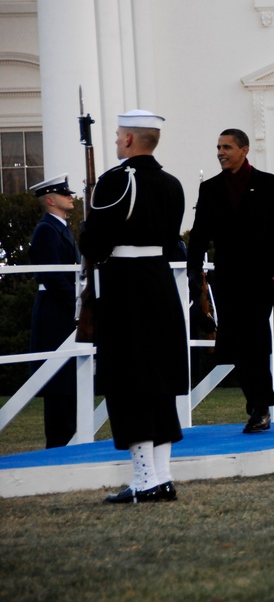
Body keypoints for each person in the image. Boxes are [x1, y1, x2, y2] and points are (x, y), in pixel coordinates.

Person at [78, 109, 187, 503]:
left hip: (126, 287)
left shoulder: (116, 181)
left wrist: (85, 235)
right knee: (159, 381)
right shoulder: (173, 184)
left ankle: (145, 481)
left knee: (129, 381)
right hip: (159, 282)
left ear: (127, 140)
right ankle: (162, 476)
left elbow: (95, 243)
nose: (116, 141)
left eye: (118, 135)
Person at [187, 128, 274, 434]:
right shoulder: (210, 189)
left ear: (244, 150)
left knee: (255, 341)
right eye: (218, 147)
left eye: (227, 147)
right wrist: (194, 269)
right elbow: (200, 233)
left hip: (261, 279)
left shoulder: (269, 184)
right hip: (228, 280)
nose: (220, 152)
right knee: (235, 344)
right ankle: (257, 403)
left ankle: (260, 407)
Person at [27, 174, 81, 448]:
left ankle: (66, 440)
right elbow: (53, 277)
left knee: (68, 381)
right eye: (63, 194)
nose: (70, 196)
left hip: (64, 311)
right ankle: (58, 444)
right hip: (56, 314)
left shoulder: (59, 227)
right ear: (50, 200)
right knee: (58, 382)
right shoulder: (47, 230)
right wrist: (79, 306)